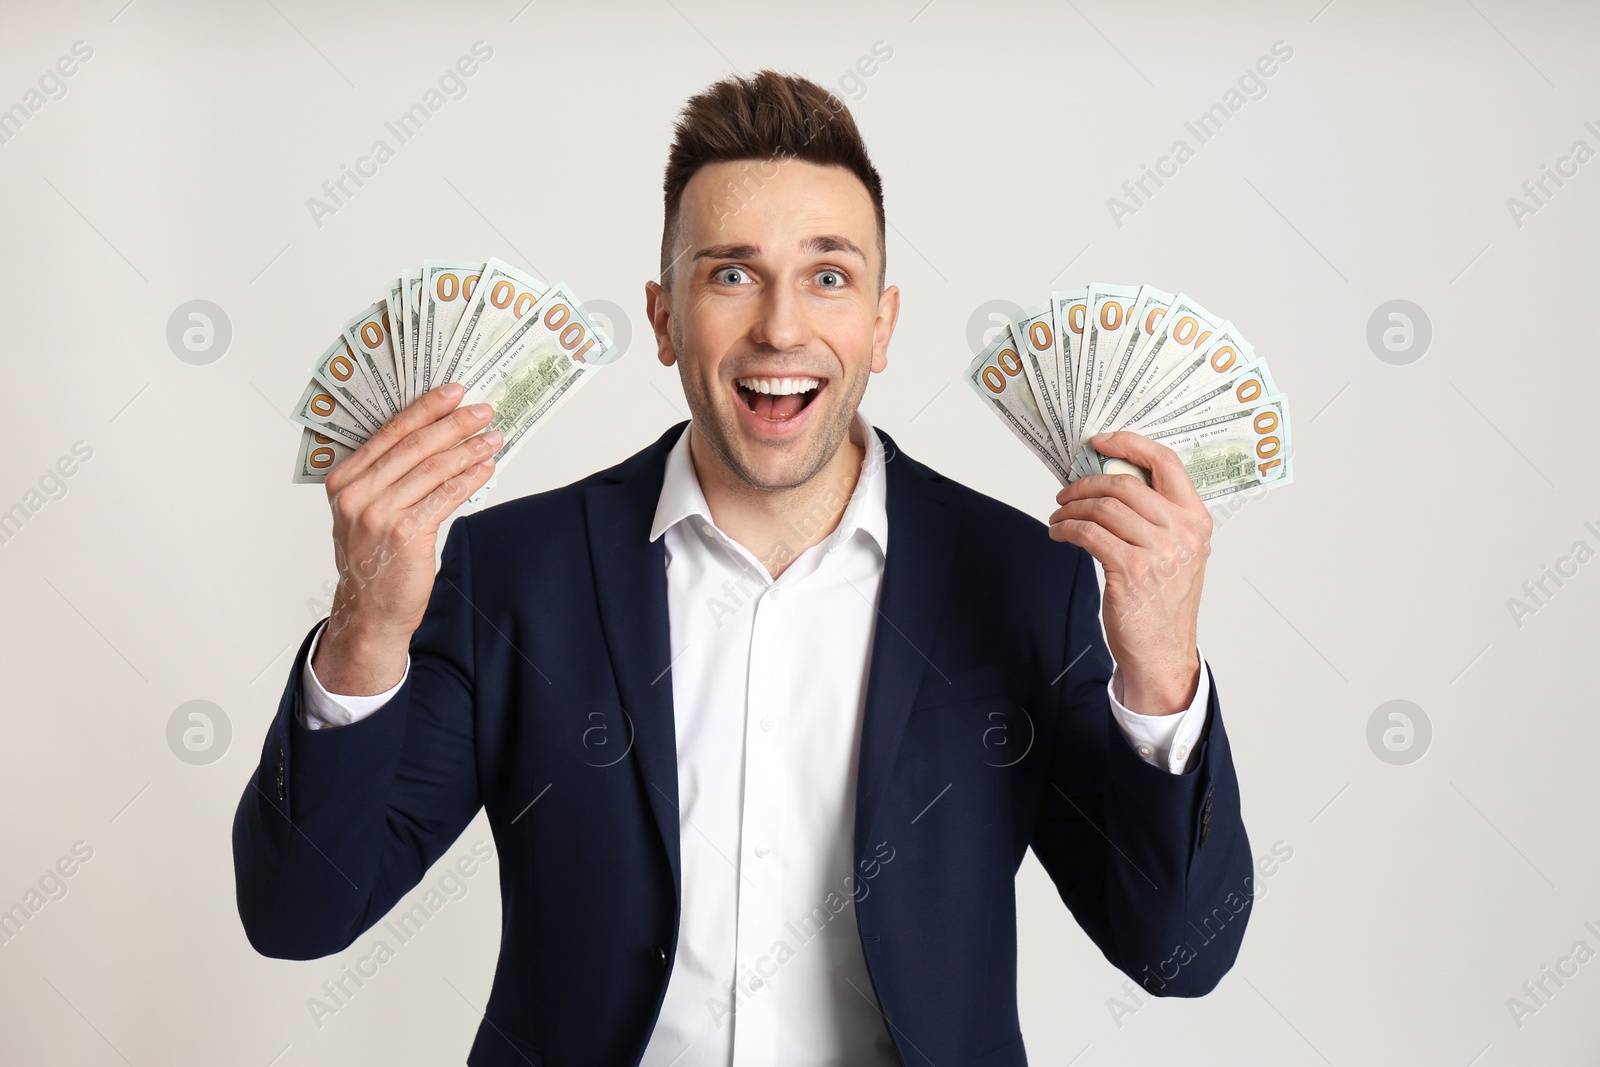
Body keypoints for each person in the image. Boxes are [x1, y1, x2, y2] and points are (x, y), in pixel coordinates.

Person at [233, 70, 1252, 1067]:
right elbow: (299, 913)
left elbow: (1178, 952)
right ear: (665, 315)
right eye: (730, 273)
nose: (779, 325)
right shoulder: (509, 574)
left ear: (881, 324)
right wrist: (366, 627)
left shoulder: (1032, 581)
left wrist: (1161, 674)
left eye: (828, 274)